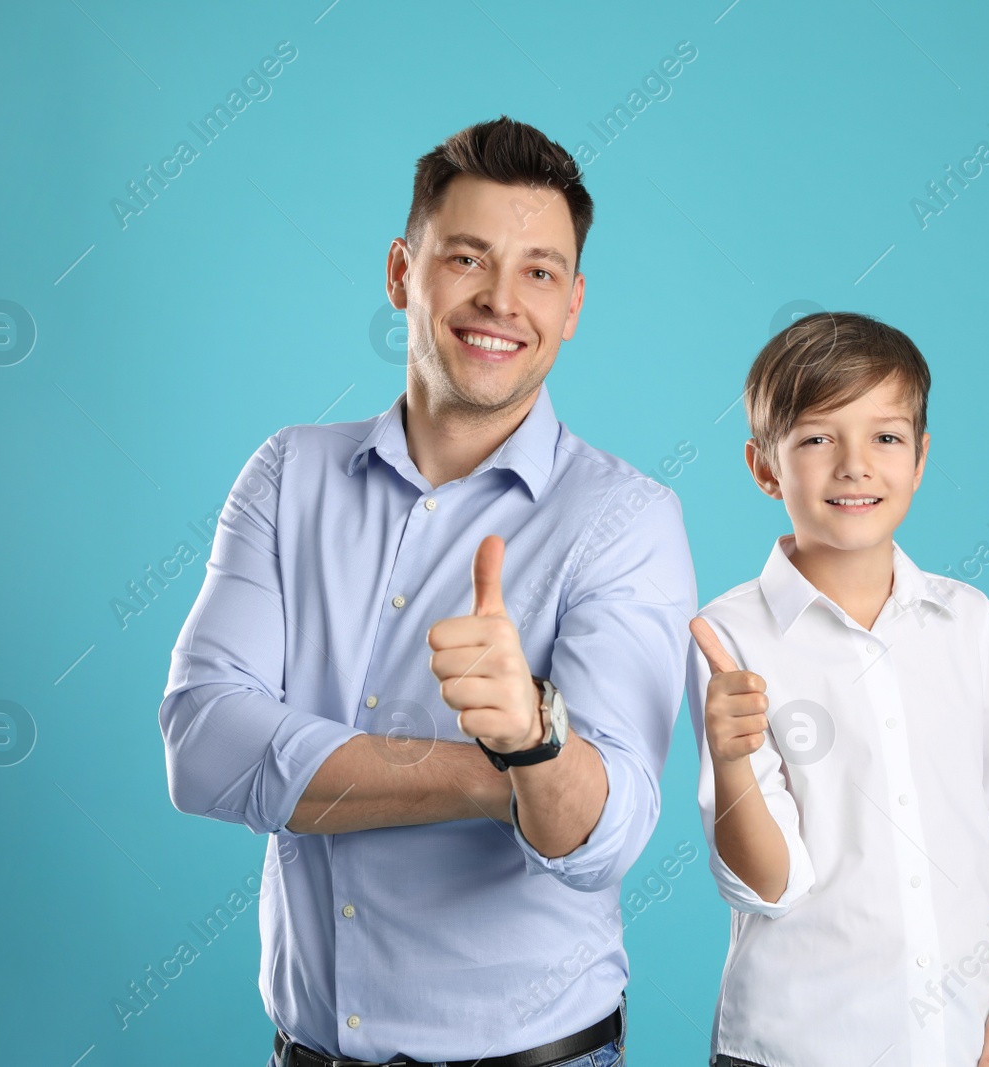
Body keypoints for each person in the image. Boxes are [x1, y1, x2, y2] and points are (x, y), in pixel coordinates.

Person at [159, 116, 696, 1067]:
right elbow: (204, 747)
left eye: (539, 271)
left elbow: (603, 837)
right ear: (403, 271)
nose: (500, 299)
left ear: (573, 304)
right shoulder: (289, 476)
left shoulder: (627, 520)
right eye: (467, 257)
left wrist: (533, 732)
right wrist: (489, 777)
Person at [685, 312, 989, 1067]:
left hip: (960, 1046)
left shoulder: (968, 622)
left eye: (885, 437)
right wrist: (731, 765)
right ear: (765, 467)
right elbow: (771, 883)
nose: (855, 465)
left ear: (921, 457)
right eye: (817, 437)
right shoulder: (731, 638)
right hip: (792, 1050)